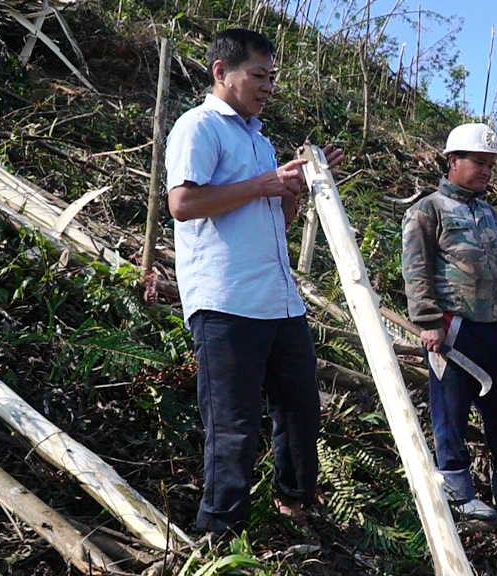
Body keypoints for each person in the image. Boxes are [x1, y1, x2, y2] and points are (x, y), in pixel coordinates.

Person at [165, 28, 344, 539]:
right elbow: (183, 203)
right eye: (258, 76)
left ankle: (295, 507)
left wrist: (300, 183)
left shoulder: (260, 140)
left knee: (301, 411)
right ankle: (219, 534)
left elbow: (278, 218)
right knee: (233, 426)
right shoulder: (198, 127)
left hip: (280, 301)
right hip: (225, 301)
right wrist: (263, 184)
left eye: (272, 78)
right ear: (221, 72)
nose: (268, 86)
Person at [400, 122, 497, 521]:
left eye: (489, 165)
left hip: (494, 326)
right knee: (450, 409)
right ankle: (458, 493)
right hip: (453, 326)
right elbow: (415, 269)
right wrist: (430, 321)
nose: (485, 171)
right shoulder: (428, 210)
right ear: (453, 161)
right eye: (478, 162)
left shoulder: (488, 212)